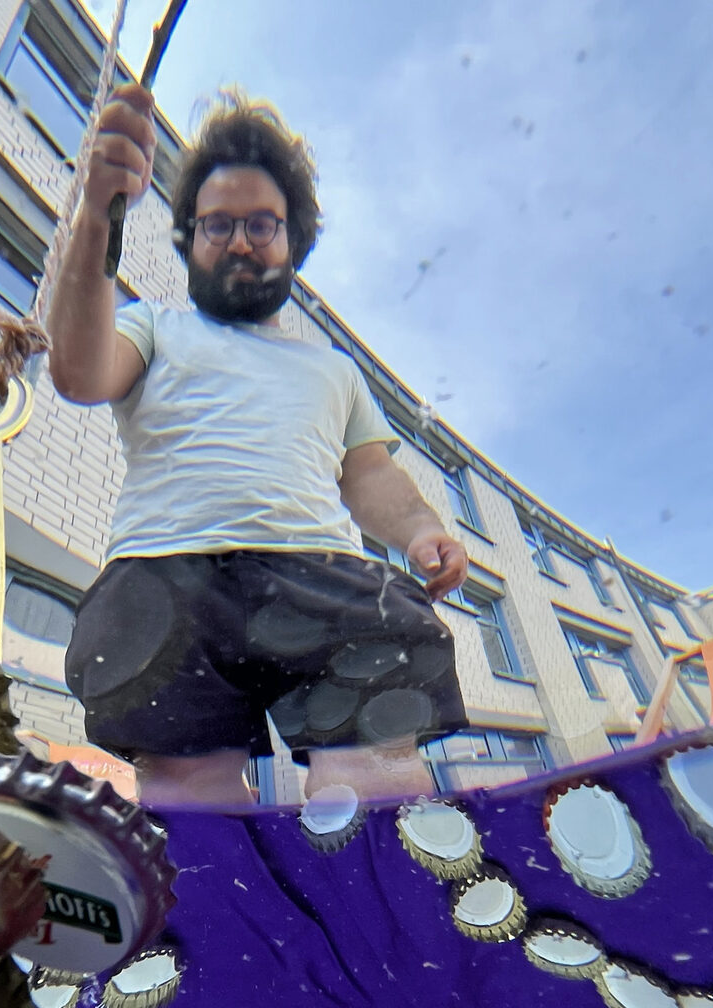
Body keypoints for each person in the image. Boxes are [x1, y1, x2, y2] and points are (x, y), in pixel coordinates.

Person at [46, 86, 470, 809]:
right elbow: (79, 373)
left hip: (323, 573)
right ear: (189, 240)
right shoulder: (153, 327)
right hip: (165, 574)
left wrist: (422, 528)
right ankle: (221, 877)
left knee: (375, 772)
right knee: (187, 790)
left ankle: (375, 870)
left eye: (261, 224)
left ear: (292, 241)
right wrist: (97, 216)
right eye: (217, 225)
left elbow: (369, 474)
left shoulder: (335, 371)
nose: (239, 241)